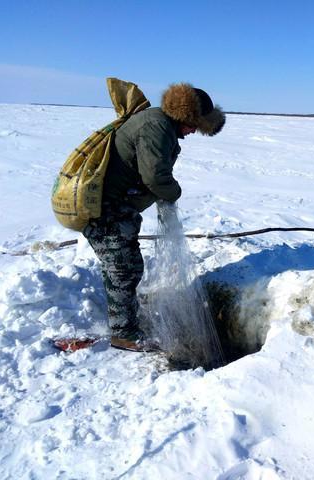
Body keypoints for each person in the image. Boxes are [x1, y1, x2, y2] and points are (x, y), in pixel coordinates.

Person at [83, 83, 225, 350]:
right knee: (123, 267)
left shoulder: (161, 125)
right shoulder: (156, 127)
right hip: (105, 208)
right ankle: (124, 333)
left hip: (116, 207)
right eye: (194, 124)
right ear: (185, 116)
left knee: (125, 264)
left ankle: (125, 319)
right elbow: (155, 176)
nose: (193, 131)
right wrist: (174, 193)